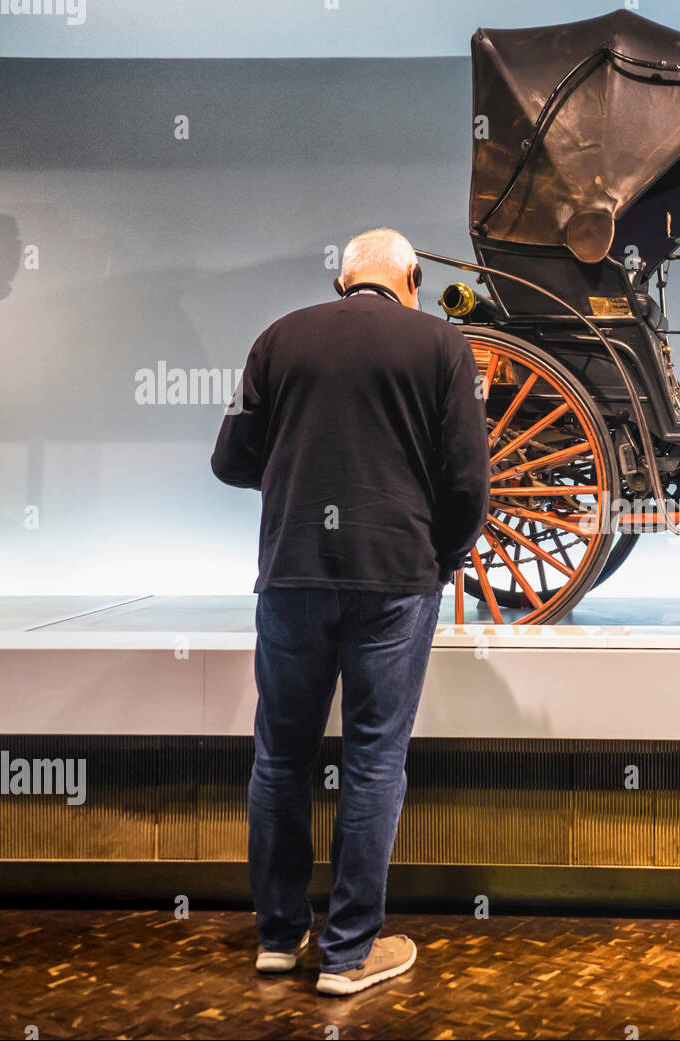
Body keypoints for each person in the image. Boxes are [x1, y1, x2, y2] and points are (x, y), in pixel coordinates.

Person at [211, 228, 489, 995]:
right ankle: (348, 953)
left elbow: (229, 460)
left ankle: (276, 937)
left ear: (342, 283)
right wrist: (441, 560)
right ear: (410, 277)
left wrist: (300, 469)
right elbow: (469, 480)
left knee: (280, 758)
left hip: (293, 573)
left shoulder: (278, 338)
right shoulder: (440, 345)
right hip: (395, 577)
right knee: (373, 761)